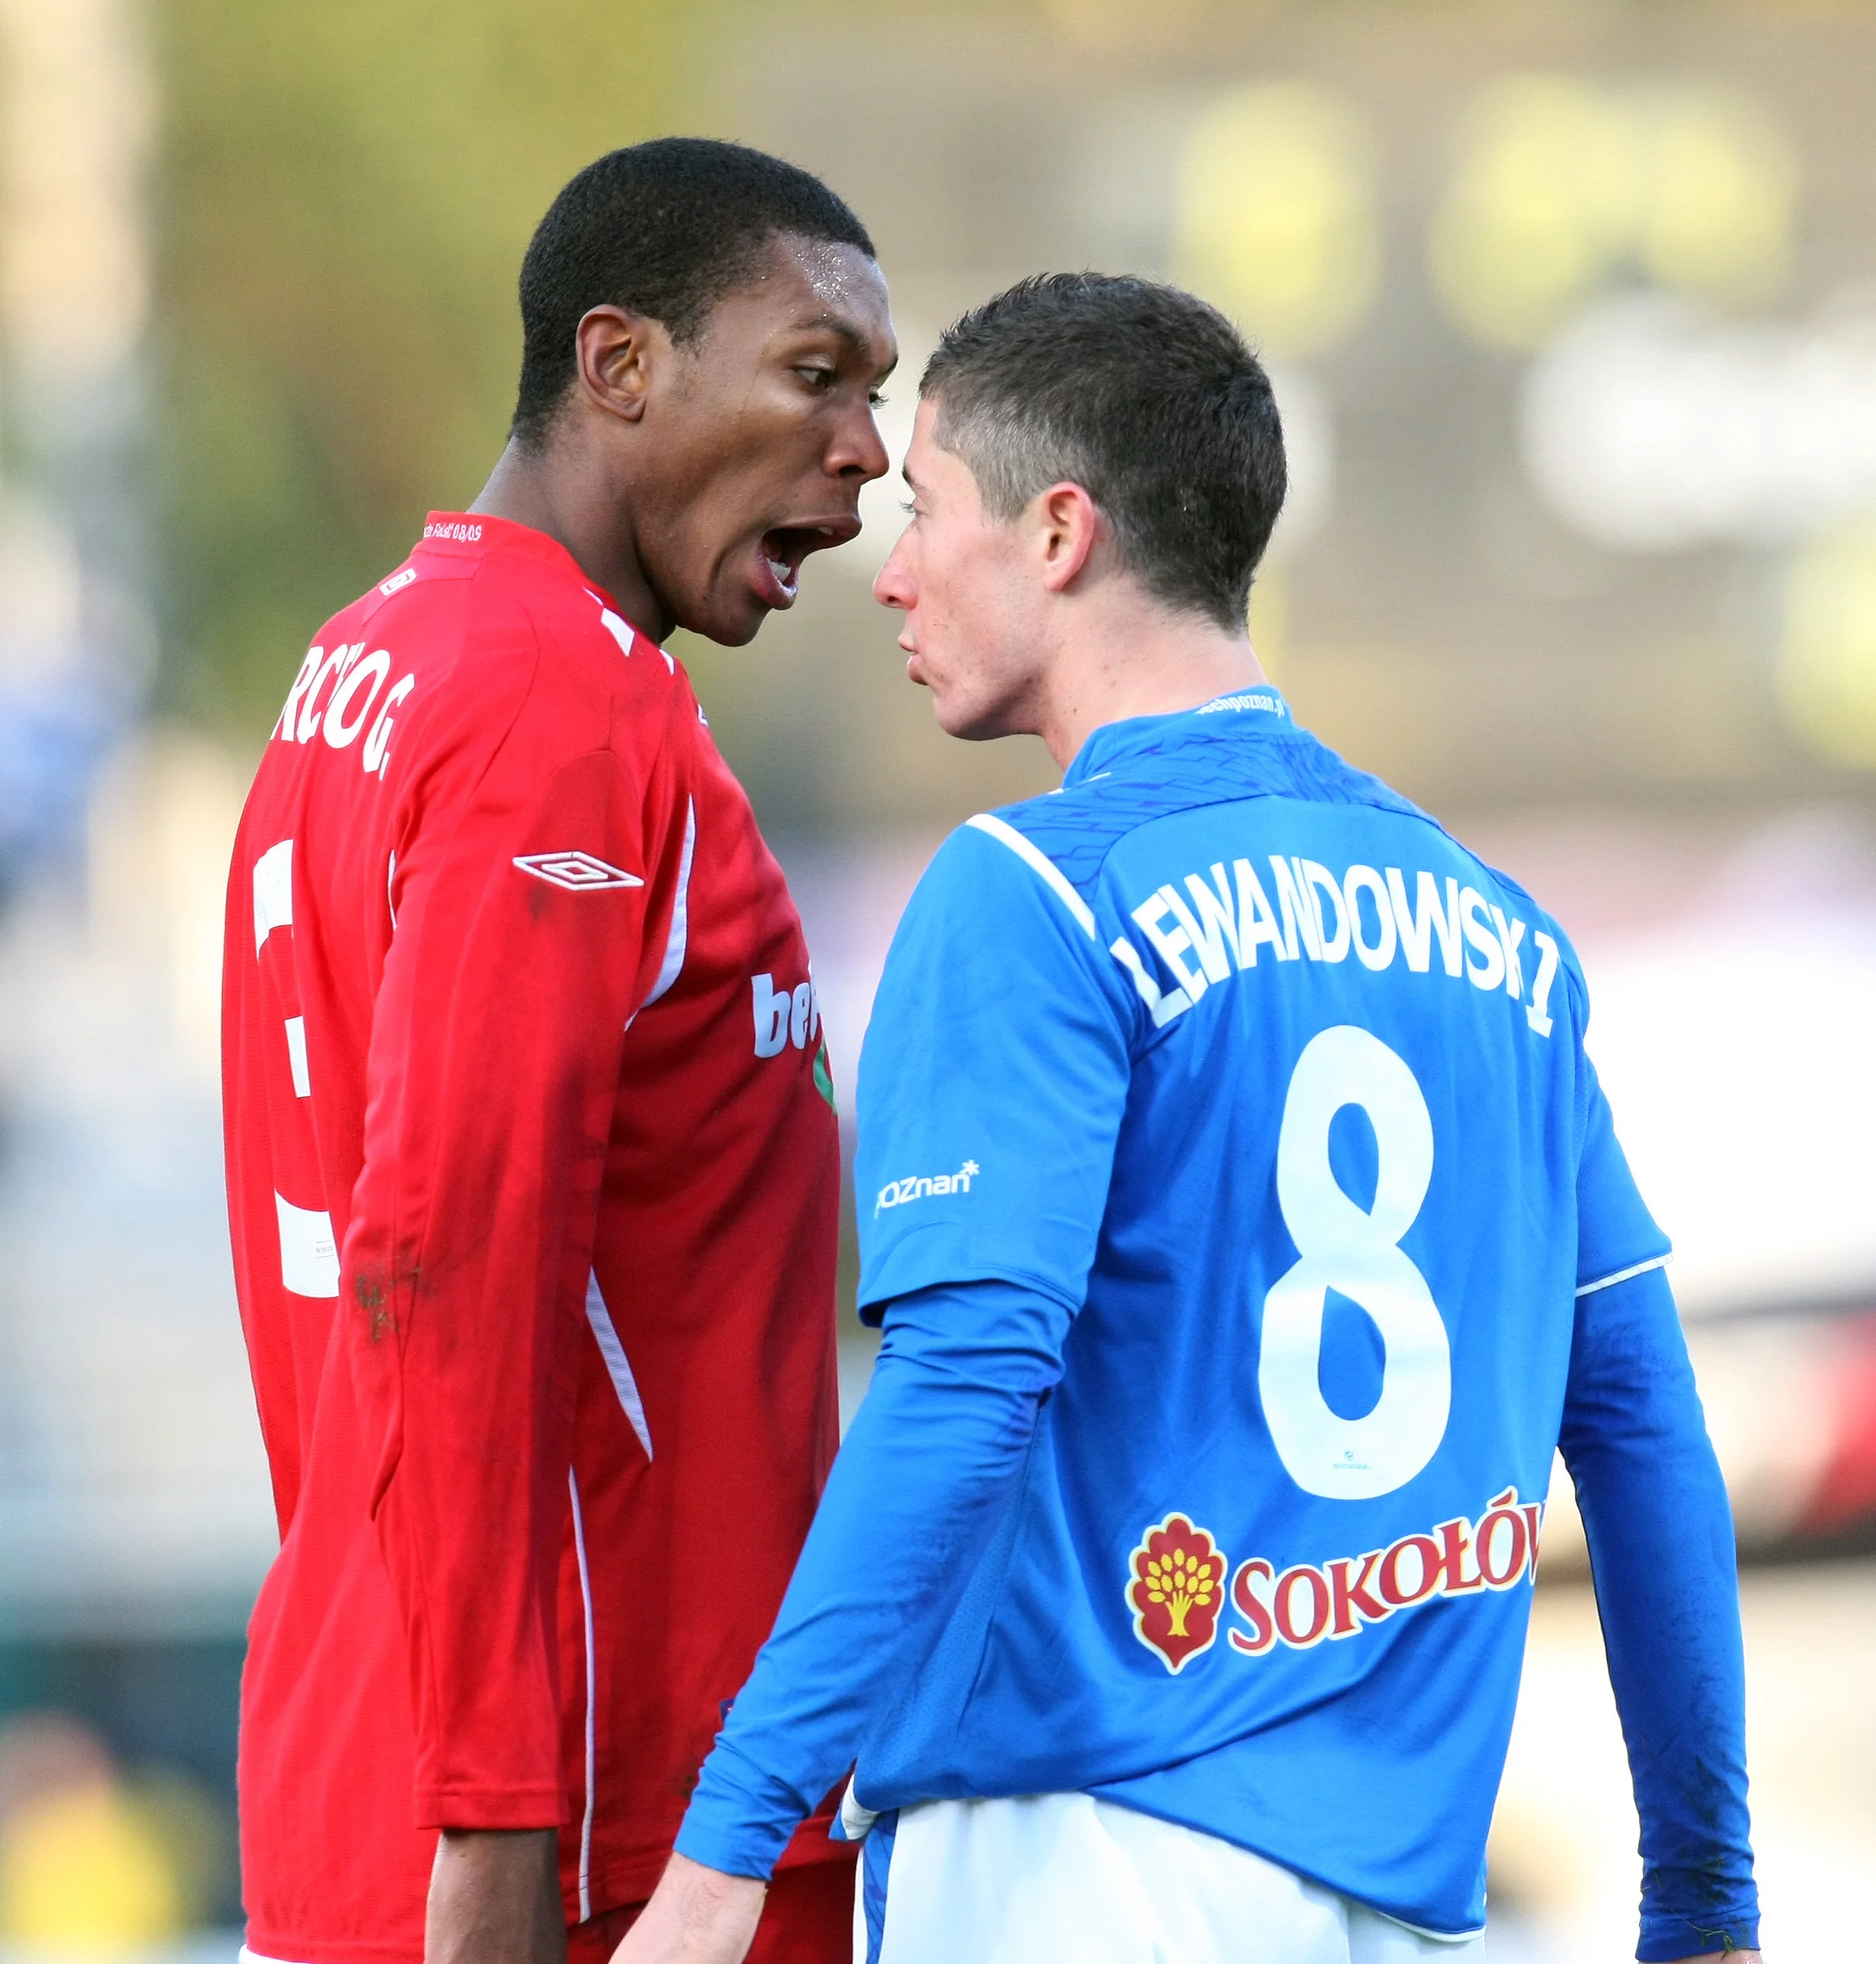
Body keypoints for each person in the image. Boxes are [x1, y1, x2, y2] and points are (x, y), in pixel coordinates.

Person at [619, 274, 1763, 1964]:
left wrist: (727, 1845)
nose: (897, 569)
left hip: (1076, 1861)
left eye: (928, 509)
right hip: (1412, 1894)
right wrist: (1703, 1898)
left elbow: (968, 1381)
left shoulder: (1029, 892)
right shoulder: (1500, 935)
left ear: (1061, 531)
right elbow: (1644, 1424)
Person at [221, 138, 896, 1964]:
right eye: (816, 374)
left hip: (398, 1757)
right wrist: (498, 1828)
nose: (869, 455)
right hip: (594, 1838)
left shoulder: (376, 655)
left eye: (879, 398)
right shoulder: (551, 710)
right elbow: (445, 1259)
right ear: (619, 367)